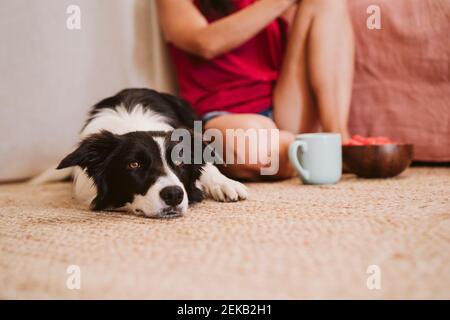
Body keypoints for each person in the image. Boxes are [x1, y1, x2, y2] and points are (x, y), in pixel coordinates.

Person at [157, 0, 355, 180]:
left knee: (328, 2)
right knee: (255, 153)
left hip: (284, 107)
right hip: (226, 115)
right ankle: (303, 150)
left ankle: (339, 142)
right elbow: (205, 43)